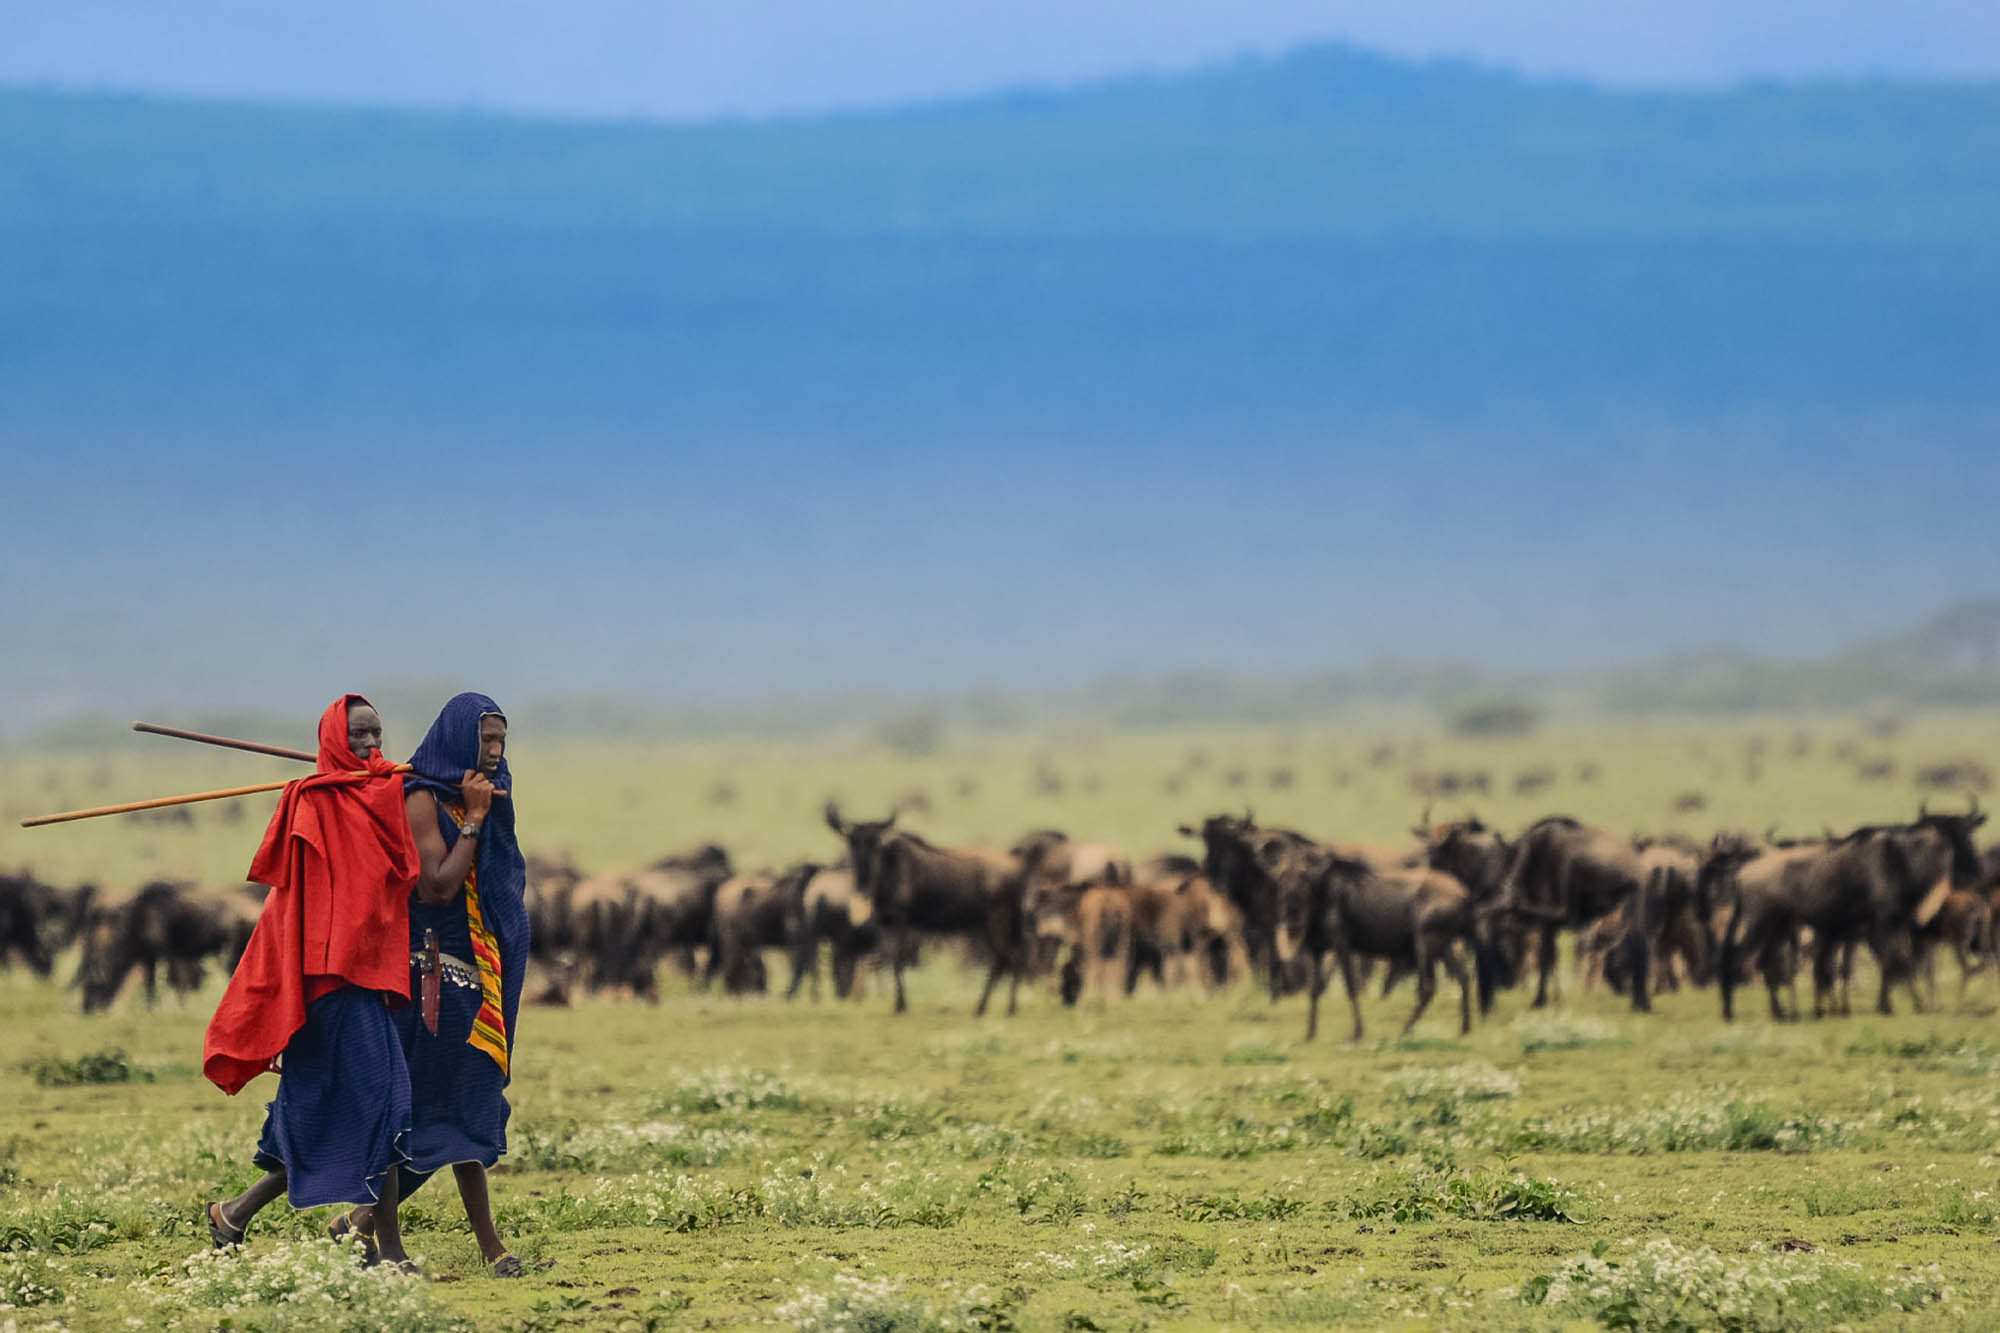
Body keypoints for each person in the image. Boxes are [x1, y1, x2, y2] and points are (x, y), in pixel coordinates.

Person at [200, 695, 422, 1267]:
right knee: (389, 1105)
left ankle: (233, 1215)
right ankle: (389, 1251)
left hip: (367, 979)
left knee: (320, 1110)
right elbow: (301, 908)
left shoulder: (382, 795)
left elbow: (399, 873)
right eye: (359, 737)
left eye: (378, 735)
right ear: (334, 741)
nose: (373, 747)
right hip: (327, 985)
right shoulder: (314, 803)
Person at [347, 692, 530, 1278]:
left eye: (502, 740)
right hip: (422, 983)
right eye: (486, 740)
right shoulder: (420, 799)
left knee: (470, 1107)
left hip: (473, 982)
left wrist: (479, 811)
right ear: (458, 739)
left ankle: (487, 1248)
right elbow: (436, 888)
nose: (497, 751)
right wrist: (474, 818)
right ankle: (386, 1239)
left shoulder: (471, 798)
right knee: (410, 1115)